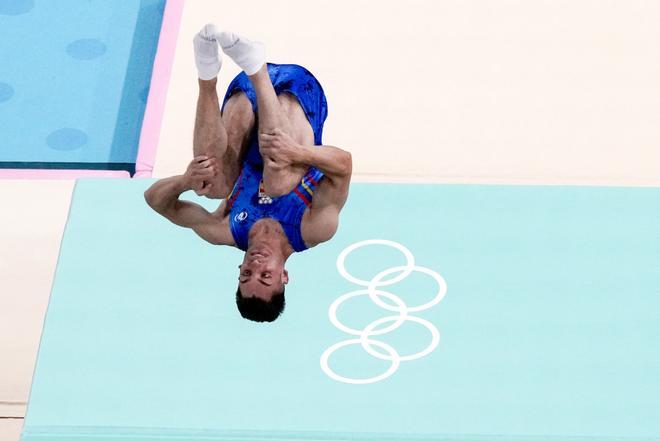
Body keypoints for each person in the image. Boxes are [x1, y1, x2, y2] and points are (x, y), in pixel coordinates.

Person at [144, 24, 352, 322]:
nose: (256, 265)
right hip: (296, 97)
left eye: (246, 274)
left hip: (244, 102)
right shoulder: (313, 229)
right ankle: (257, 67)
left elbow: (155, 201)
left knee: (212, 185)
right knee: (280, 182)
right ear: (284, 276)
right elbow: (344, 166)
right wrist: (299, 153)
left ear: (238, 273)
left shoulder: (225, 230)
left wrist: (185, 180)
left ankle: (207, 74)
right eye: (265, 275)